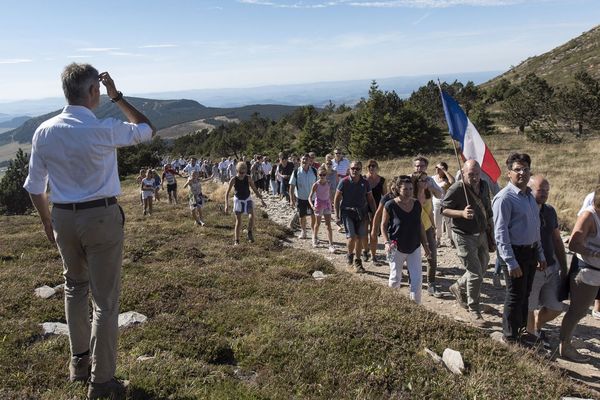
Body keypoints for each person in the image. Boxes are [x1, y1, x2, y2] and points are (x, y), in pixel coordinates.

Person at [23, 64, 155, 399]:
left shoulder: (44, 131)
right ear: (94, 91)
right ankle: (102, 382)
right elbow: (146, 128)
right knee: (106, 302)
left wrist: (46, 220)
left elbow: (35, 186)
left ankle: (78, 364)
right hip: (101, 217)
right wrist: (119, 97)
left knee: (74, 288)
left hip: (63, 217)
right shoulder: (104, 129)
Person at [492, 153, 547, 343]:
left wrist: (539, 253)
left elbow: (535, 227)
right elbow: (500, 233)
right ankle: (509, 337)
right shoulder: (504, 198)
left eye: (525, 169)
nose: (522, 173)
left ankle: (521, 332)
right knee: (515, 295)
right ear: (509, 173)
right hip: (515, 252)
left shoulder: (529, 197)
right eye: (517, 170)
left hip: (530, 251)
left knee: (526, 294)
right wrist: (510, 261)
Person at [442, 160, 494, 325]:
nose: (475, 177)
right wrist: (461, 213)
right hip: (464, 235)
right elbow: (444, 209)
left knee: (483, 266)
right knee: (475, 273)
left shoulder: (484, 185)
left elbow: (487, 207)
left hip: (482, 233)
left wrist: (491, 230)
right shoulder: (457, 188)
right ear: (463, 173)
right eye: (471, 174)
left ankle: (458, 285)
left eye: (477, 173)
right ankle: (474, 309)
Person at [558, 187, 600, 362]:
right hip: (587, 271)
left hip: (595, 272)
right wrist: (596, 253)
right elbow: (574, 244)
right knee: (578, 311)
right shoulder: (589, 216)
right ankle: (565, 346)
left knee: (581, 310)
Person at [524, 175, 567, 343]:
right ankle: (531, 337)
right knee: (529, 306)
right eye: (540, 190)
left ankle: (536, 326)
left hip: (551, 266)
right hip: (532, 268)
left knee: (556, 307)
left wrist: (563, 266)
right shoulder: (524, 209)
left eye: (547, 190)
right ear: (530, 189)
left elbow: (557, 239)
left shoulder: (550, 211)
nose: (544, 193)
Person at [381, 176, 431, 304]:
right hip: (395, 246)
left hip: (414, 246)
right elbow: (383, 225)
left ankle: (416, 307)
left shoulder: (416, 204)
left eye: (410, 189)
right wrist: (386, 242)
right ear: (398, 189)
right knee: (394, 278)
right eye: (405, 189)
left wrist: (425, 245)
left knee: (417, 279)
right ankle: (392, 305)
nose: (408, 191)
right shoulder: (390, 205)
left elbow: (420, 225)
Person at [334, 161, 377, 273]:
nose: (355, 170)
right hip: (347, 212)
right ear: (349, 169)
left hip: (362, 213)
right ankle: (350, 255)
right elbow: (337, 198)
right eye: (353, 168)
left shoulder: (365, 183)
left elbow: (371, 199)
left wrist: (375, 214)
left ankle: (358, 261)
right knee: (352, 237)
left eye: (357, 168)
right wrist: (337, 215)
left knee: (360, 238)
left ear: (361, 170)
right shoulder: (344, 182)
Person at [413, 171, 441, 297]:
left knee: (432, 256)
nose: (426, 182)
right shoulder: (411, 195)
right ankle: (413, 281)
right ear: (416, 182)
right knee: (413, 256)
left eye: (427, 180)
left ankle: (431, 283)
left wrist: (434, 227)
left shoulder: (428, 193)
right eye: (423, 180)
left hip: (428, 227)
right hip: (414, 229)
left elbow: (430, 213)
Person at [224, 161, 266, 245]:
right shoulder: (233, 179)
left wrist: (262, 200)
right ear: (237, 171)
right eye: (240, 172)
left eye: (243, 172)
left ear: (246, 171)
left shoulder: (248, 178)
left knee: (251, 216)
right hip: (238, 200)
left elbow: (254, 189)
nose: (242, 174)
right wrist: (226, 205)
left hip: (247, 199)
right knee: (238, 221)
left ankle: (249, 232)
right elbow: (227, 193)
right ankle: (237, 240)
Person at [289, 154, 318, 239]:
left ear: (310, 161)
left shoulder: (314, 171)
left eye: (306, 160)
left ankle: (313, 233)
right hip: (301, 198)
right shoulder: (296, 171)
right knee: (302, 216)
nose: (305, 161)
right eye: (303, 160)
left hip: (313, 198)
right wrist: (292, 199)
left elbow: (319, 184)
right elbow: (292, 186)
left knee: (313, 216)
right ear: (300, 161)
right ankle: (303, 232)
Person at [308, 165, 335, 252]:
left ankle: (331, 245)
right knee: (317, 224)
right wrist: (312, 206)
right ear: (317, 175)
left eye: (324, 174)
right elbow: (310, 197)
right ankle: (314, 238)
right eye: (320, 175)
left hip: (327, 204)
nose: (322, 176)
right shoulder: (316, 185)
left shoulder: (329, 183)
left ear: (326, 174)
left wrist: (332, 203)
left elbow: (330, 194)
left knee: (328, 225)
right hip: (318, 204)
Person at [365, 159, 387, 262]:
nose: (371, 168)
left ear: (377, 167)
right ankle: (365, 251)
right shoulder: (363, 179)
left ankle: (373, 255)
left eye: (373, 166)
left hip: (377, 209)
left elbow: (386, 196)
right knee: (363, 232)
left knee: (374, 233)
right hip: (364, 208)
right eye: (369, 166)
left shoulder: (382, 180)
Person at [432, 161, 455, 246]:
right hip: (436, 203)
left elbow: (453, 182)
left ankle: (451, 238)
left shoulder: (447, 179)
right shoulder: (433, 178)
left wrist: (445, 171)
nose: (437, 169)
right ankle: (438, 239)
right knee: (437, 222)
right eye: (436, 167)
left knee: (449, 222)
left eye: (440, 168)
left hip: (446, 204)